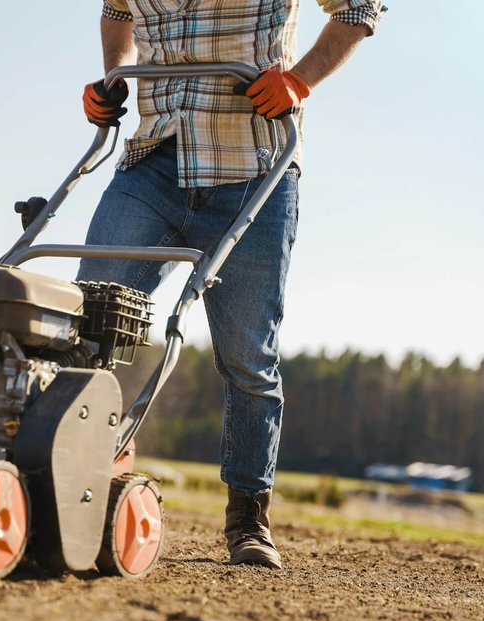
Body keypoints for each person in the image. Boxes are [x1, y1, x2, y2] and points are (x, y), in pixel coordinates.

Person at [80, 0, 386, 569]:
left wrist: (299, 80)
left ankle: (249, 518)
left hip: (253, 167)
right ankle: (72, 473)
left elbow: (360, 8)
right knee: (89, 318)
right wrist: (114, 76)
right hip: (152, 162)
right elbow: (116, 12)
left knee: (248, 356)